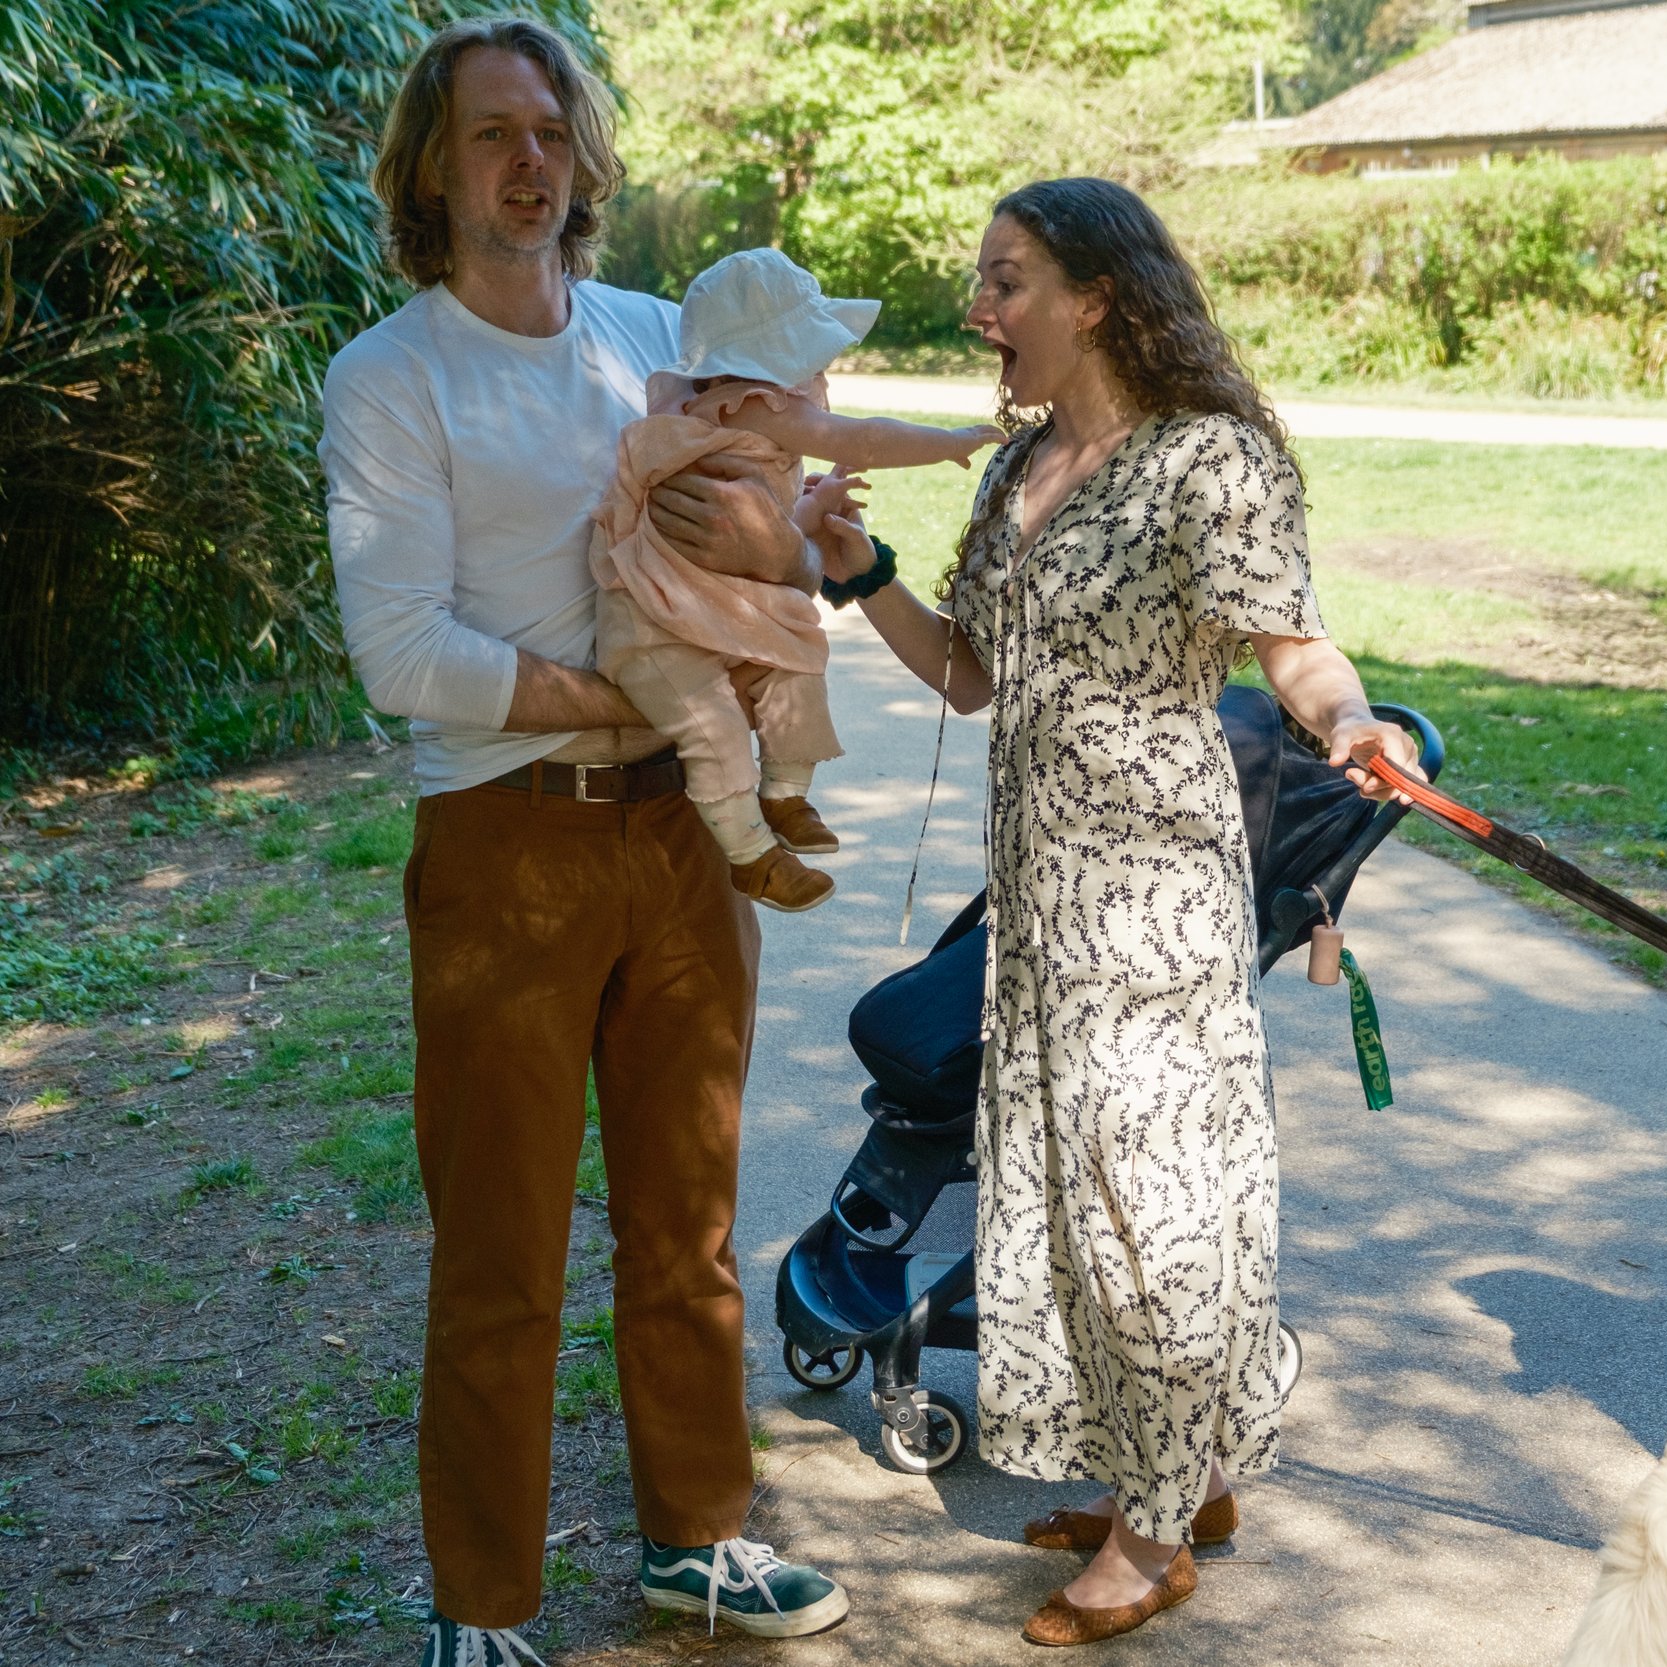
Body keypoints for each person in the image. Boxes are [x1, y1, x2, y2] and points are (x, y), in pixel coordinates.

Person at [811, 176, 1418, 1646]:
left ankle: (1151, 1536)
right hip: (1037, 898)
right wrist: (862, 572)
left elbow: (1295, 643)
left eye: (1007, 279)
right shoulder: (1014, 469)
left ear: (1096, 294)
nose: (982, 308)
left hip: (1154, 897)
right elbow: (968, 671)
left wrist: (1350, 720)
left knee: (1154, 1204)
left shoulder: (1208, 461)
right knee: (1076, 1202)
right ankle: (1182, 1474)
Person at [319, 19, 848, 1664]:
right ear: (430, 167)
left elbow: (750, 534)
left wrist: (803, 554)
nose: (527, 163)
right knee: (502, 1246)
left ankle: (698, 1533)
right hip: (507, 851)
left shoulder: (650, 336)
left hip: (687, 844)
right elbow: (404, 653)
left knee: (687, 1219)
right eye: (489, 136)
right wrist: (609, 704)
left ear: (584, 153)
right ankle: (481, 1606)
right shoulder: (390, 378)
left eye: (548, 130)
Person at [593, 246, 1000, 913]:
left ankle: (784, 795)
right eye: (815, 356)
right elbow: (862, 437)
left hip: (716, 607)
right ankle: (753, 854)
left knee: (798, 663)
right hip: (657, 619)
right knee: (712, 724)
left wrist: (817, 509)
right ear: (776, 359)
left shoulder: (721, 417)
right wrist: (946, 440)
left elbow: (766, 528)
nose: (824, 372)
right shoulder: (755, 406)